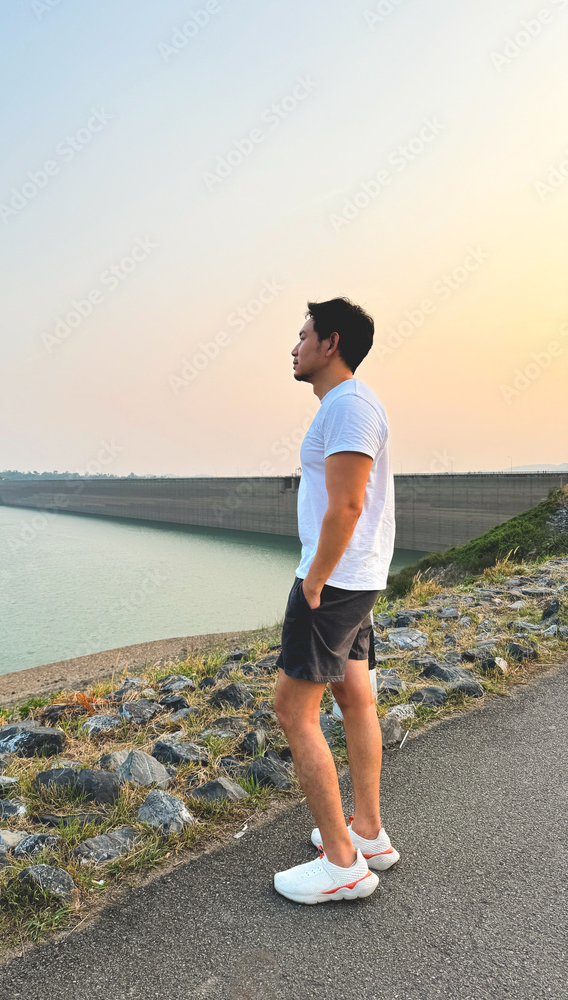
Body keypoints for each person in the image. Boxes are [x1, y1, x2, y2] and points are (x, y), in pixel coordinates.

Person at [272, 296, 399, 905]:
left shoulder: (348, 405)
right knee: (353, 698)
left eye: (302, 336)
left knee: (293, 710)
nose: (293, 347)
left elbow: (347, 505)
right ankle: (367, 833)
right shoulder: (350, 404)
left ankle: (342, 862)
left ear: (332, 343)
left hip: (337, 582)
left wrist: (314, 581)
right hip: (359, 576)